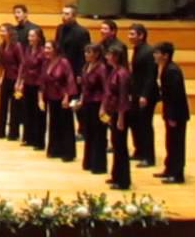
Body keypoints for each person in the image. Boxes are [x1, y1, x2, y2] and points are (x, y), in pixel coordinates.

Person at [153, 42, 189, 184]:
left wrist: (173, 116)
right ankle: (169, 169)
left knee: (177, 144)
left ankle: (177, 174)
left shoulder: (172, 71)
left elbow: (175, 95)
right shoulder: (166, 68)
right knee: (170, 142)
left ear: (166, 55)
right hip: (170, 112)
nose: (154, 55)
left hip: (177, 114)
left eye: (157, 53)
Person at [42, 40, 78, 162]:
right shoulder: (46, 62)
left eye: (48, 48)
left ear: (55, 49)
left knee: (65, 125)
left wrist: (67, 97)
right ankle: (55, 149)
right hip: (51, 96)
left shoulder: (64, 62)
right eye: (45, 48)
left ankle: (67, 152)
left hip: (63, 97)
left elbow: (70, 80)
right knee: (54, 124)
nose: (46, 51)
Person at [128, 23, 158, 168]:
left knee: (145, 125)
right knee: (135, 123)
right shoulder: (138, 49)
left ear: (141, 35)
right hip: (136, 92)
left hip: (145, 95)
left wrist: (144, 95)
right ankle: (139, 150)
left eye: (133, 34)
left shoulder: (148, 51)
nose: (129, 36)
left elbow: (150, 76)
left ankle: (148, 157)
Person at [103, 44, 131, 190]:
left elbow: (123, 97)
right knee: (115, 143)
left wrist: (120, 117)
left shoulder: (122, 74)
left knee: (120, 146)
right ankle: (116, 175)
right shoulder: (115, 71)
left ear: (116, 56)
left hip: (121, 114)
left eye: (108, 55)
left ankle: (123, 180)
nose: (106, 57)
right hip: (114, 112)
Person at [78, 44, 109, 175]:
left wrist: (103, 107)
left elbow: (106, 90)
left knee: (99, 135)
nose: (86, 54)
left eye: (89, 52)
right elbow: (84, 87)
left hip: (98, 104)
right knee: (88, 133)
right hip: (87, 104)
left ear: (96, 54)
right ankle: (89, 162)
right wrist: (80, 100)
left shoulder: (101, 68)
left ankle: (99, 165)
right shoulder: (86, 66)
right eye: (85, 52)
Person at [17, 28, 47, 150]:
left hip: (38, 85)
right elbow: (23, 66)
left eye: (32, 36)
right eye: (29, 36)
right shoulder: (28, 49)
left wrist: (41, 87)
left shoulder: (43, 52)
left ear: (38, 38)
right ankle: (28, 137)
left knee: (38, 114)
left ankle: (38, 141)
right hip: (28, 84)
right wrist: (20, 81)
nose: (29, 38)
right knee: (27, 112)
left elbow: (44, 70)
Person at [0, 23, 24, 141]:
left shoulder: (17, 46)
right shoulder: (1, 46)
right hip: (6, 78)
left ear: (9, 32)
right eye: (0, 31)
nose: (1, 33)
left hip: (15, 79)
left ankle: (13, 133)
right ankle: (0, 132)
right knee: (3, 106)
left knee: (15, 107)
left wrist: (19, 81)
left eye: (3, 31)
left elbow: (22, 64)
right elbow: (1, 65)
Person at [55, 5, 91, 77]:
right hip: (60, 68)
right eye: (63, 13)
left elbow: (83, 54)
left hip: (73, 69)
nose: (63, 16)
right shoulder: (59, 28)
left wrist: (79, 73)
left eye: (67, 14)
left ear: (74, 16)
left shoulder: (82, 32)